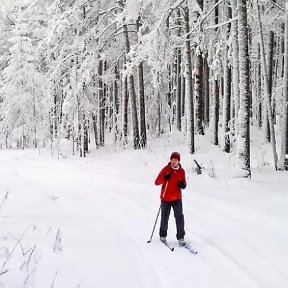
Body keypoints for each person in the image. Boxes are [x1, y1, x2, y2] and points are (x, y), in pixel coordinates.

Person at [155, 152, 187, 246]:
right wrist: (165, 178)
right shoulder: (166, 169)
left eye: (175, 160)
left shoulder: (181, 171)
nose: (173, 161)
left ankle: (181, 237)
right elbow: (157, 182)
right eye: (172, 159)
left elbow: (184, 183)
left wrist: (183, 185)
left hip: (177, 198)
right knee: (165, 217)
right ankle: (163, 235)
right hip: (166, 198)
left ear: (178, 161)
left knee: (179, 218)